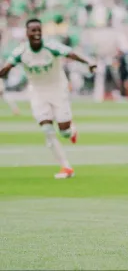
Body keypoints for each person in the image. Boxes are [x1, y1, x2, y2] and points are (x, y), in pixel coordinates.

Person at [0, 18, 96, 179]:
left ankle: (71, 129)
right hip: (37, 92)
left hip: (58, 89)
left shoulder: (51, 46)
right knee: (46, 129)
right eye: (33, 30)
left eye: (39, 30)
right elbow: (7, 67)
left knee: (64, 133)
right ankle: (66, 167)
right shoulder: (20, 52)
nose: (37, 33)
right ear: (27, 33)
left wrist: (89, 62)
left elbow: (71, 53)